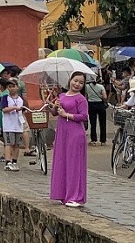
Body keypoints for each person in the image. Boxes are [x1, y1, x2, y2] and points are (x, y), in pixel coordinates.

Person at [50, 71, 89, 207]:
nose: (77, 84)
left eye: (81, 82)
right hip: (62, 133)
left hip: (75, 133)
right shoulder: (61, 96)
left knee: (74, 163)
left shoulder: (81, 99)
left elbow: (84, 116)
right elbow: (55, 113)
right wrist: (55, 107)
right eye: (75, 81)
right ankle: (62, 193)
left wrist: (67, 114)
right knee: (62, 161)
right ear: (70, 80)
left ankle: (75, 197)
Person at [1, 80, 25, 171]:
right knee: (8, 143)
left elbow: (24, 109)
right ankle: (8, 161)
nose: (11, 88)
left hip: (18, 125)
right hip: (8, 125)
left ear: (17, 87)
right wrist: (14, 108)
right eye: (10, 87)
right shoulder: (5, 98)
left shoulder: (20, 99)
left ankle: (14, 161)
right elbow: (4, 109)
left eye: (13, 86)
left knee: (16, 144)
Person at [86, 76, 108, 146]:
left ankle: (93, 140)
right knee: (102, 123)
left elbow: (86, 96)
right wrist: (100, 96)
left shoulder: (87, 86)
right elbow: (105, 97)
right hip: (100, 105)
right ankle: (103, 140)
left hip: (91, 105)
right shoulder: (101, 86)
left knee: (93, 123)